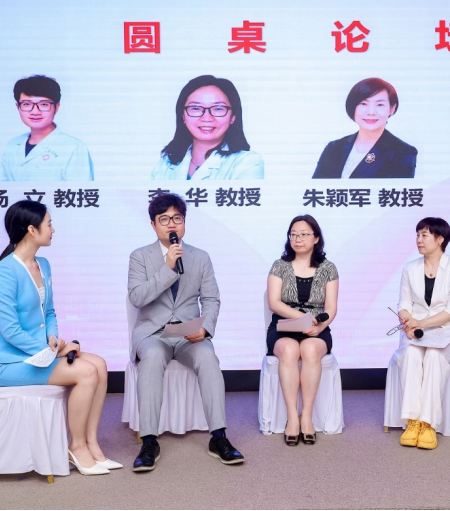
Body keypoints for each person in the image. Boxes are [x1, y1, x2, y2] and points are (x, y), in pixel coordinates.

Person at [0, 200, 116, 476]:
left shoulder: (43, 264)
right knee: (86, 372)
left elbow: (50, 312)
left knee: (100, 365)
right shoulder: (4, 272)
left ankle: (91, 443)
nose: (53, 229)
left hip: (39, 353)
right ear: (31, 230)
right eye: (49, 224)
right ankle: (76, 447)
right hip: (8, 363)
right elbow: (10, 331)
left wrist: (53, 337)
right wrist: (54, 351)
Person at [128, 193, 244, 471]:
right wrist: (168, 267)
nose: (172, 225)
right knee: (152, 359)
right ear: (153, 224)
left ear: (184, 223)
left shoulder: (200, 257)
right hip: (153, 333)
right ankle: (149, 441)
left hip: (189, 334)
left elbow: (211, 299)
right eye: (164, 219)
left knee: (208, 358)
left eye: (177, 218)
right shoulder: (139, 257)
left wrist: (206, 328)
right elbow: (137, 297)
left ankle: (218, 437)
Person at [395, 218, 450, 450]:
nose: (419, 239)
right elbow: (403, 304)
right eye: (417, 234)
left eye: (424, 235)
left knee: (435, 356)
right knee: (411, 355)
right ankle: (412, 421)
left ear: (440, 239)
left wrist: (421, 322)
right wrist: (407, 321)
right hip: (417, 332)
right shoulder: (410, 268)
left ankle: (428, 423)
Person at [266, 215, 339, 446]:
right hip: (283, 326)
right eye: (294, 234)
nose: (298, 239)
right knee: (289, 350)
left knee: (310, 351)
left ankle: (306, 417)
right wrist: (303, 319)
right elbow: (274, 303)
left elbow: (331, 308)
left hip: (317, 328)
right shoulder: (280, 265)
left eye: (304, 234)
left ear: (316, 238)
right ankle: (292, 417)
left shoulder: (328, 268)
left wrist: (319, 325)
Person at [152, 75, 264, 180]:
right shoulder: (165, 164)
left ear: (233, 117)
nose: (206, 118)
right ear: (183, 116)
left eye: (218, 108)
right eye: (196, 108)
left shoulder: (247, 163)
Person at [312, 77, 417, 179]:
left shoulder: (403, 153)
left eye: (380, 105)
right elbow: (317, 187)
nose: (371, 112)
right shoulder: (334, 148)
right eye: (363, 104)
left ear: (392, 109)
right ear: (353, 107)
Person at [0, 75, 94, 181]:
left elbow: (80, 190)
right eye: (26, 104)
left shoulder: (73, 147)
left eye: (44, 104)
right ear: (18, 107)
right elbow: (1, 188)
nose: (35, 112)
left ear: (56, 107)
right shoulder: (12, 145)